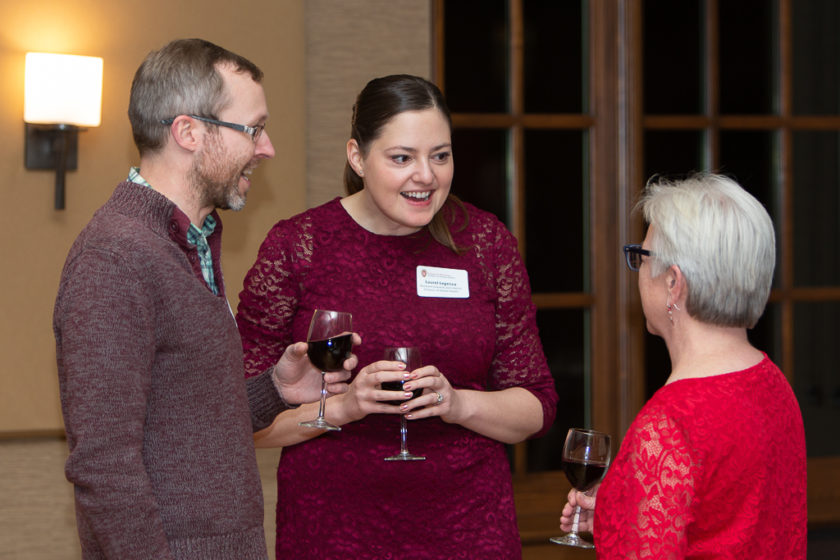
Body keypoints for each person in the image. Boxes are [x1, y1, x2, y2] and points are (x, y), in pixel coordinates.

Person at [53, 38, 353, 560]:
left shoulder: (186, 244)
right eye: (252, 129)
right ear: (188, 132)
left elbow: (184, 422)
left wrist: (274, 390)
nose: (267, 148)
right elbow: (104, 467)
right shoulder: (116, 259)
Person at [235, 74, 559, 558]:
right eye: (402, 158)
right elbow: (237, 419)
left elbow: (537, 408)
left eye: (440, 155)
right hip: (332, 530)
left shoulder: (486, 244)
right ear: (357, 157)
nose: (426, 176)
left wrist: (456, 404)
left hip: (469, 530)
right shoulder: (299, 248)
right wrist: (341, 410)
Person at [559, 173, 807, 558]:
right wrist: (616, 517)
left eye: (641, 258)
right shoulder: (774, 384)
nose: (637, 270)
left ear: (674, 283)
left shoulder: (669, 424)